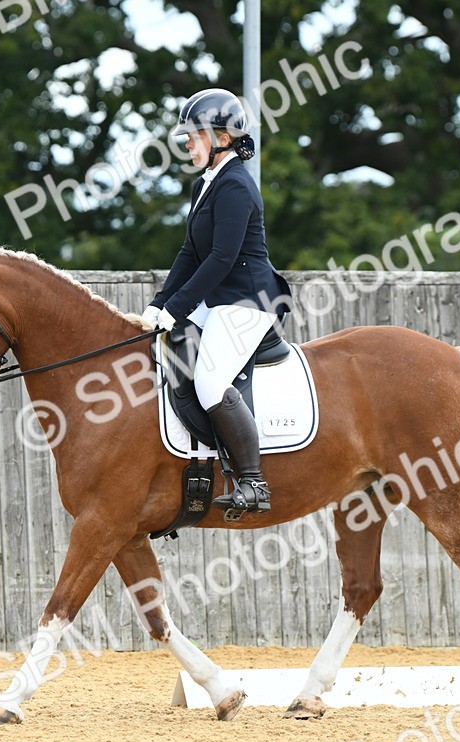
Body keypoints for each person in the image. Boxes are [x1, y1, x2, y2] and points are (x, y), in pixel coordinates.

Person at [143, 88, 294, 514]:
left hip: (248, 301)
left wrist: (178, 308)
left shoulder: (236, 187)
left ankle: (254, 482)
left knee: (210, 381)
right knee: (164, 352)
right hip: (218, 299)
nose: (187, 143)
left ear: (222, 139)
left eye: (193, 135)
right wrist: (160, 302)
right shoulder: (205, 185)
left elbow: (222, 259)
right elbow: (190, 254)